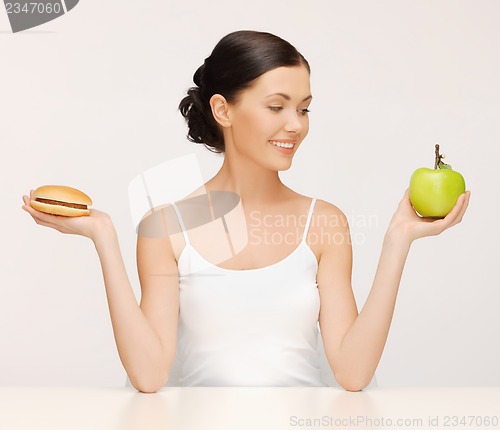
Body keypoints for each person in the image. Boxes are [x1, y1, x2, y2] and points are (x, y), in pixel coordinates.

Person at [21, 30, 471, 393]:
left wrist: (398, 241)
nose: (295, 124)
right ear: (223, 110)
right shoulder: (166, 227)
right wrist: (104, 237)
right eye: (276, 106)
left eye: (304, 108)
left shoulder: (325, 223)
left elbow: (352, 375)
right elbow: (149, 376)